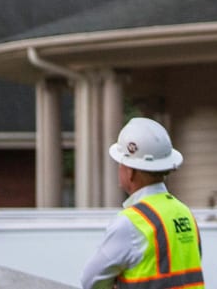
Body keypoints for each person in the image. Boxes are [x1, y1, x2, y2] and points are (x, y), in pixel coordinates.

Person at [79, 117, 204, 289]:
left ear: (130, 171)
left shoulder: (130, 222)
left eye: (120, 164)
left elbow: (91, 281)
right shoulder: (185, 213)